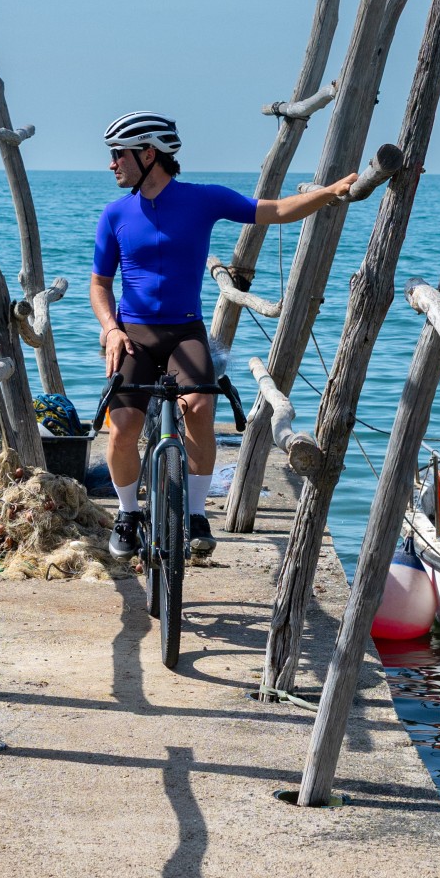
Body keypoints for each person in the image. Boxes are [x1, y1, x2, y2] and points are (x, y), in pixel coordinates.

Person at [90, 109, 360, 563]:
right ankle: (128, 512)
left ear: (149, 153)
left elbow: (271, 211)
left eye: (119, 154)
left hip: (184, 330)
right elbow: (99, 285)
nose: (112, 163)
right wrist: (111, 329)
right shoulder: (115, 214)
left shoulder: (202, 200)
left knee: (198, 405)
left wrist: (328, 195)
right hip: (133, 333)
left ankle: (196, 514)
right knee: (123, 429)